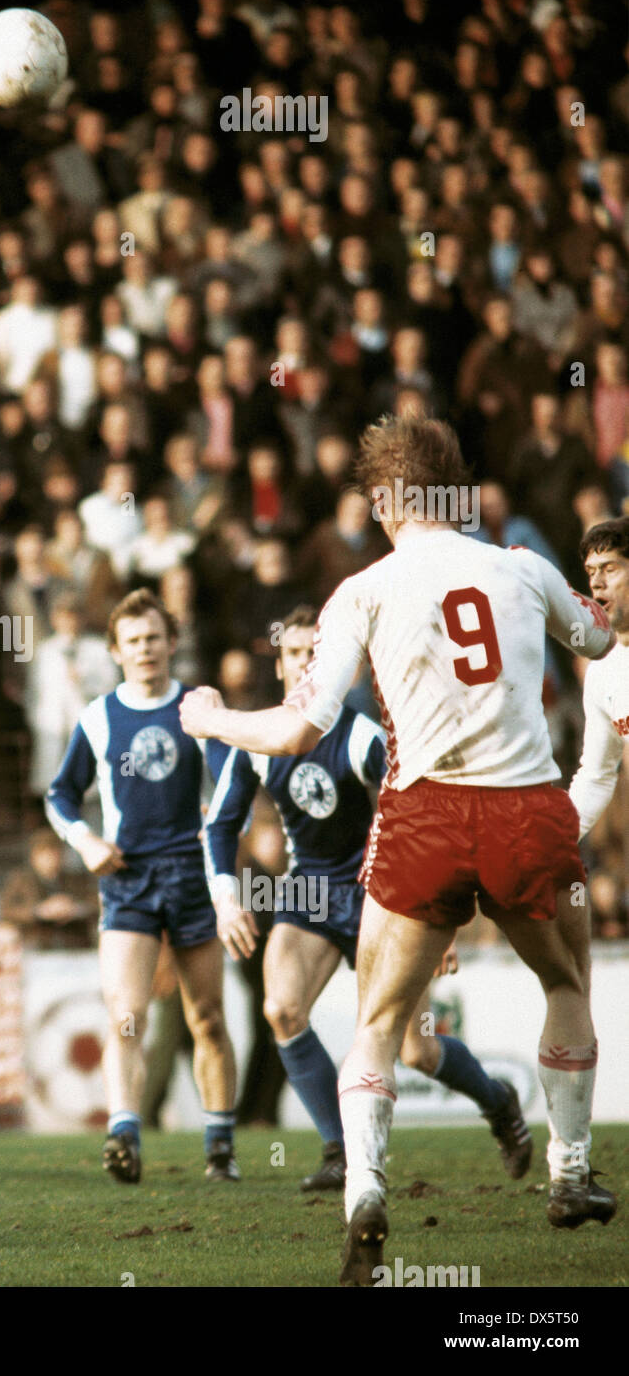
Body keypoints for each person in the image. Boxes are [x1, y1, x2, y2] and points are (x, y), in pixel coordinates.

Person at [179, 415, 616, 1285]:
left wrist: (211, 717)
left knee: (377, 1026)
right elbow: (602, 639)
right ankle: (570, 1173)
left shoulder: (363, 590)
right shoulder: (522, 570)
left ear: (385, 500)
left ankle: (368, 1195)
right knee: (564, 984)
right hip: (528, 806)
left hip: (423, 814)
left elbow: (302, 727)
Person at [205, 604, 532, 1190]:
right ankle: (340, 1152)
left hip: (384, 892)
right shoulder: (260, 738)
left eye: (315, 653)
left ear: (338, 665)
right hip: (310, 888)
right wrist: (228, 898)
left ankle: (498, 1101)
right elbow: (218, 825)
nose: (306, 664)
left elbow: (424, 819)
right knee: (281, 1010)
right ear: (279, 665)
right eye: (294, 654)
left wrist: (442, 912)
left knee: (418, 1051)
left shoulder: (363, 739)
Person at [45, 587, 238, 1185]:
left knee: (206, 1017)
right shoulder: (98, 717)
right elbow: (58, 795)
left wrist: (223, 839)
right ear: (116, 652)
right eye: (133, 641)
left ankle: (220, 1147)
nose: (146, 649)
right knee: (127, 1014)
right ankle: (124, 1132)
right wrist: (88, 843)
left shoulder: (198, 709)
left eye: (155, 637)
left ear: (172, 644)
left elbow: (232, 780)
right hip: (127, 880)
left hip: (191, 876)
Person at [569, 518, 629, 843]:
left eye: (609, 569)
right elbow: (596, 775)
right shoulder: (602, 673)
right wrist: (549, 845)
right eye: (591, 572)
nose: (597, 583)